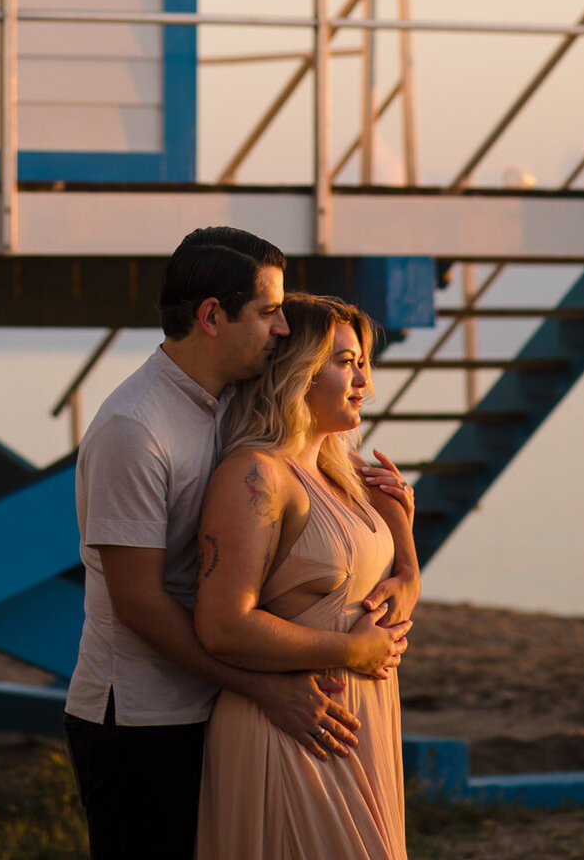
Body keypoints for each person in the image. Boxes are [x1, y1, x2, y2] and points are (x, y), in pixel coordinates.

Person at [64, 230, 415, 860]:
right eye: (267, 312)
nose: (282, 329)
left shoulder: (231, 402)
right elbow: (139, 602)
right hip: (144, 719)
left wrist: (405, 559)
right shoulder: (133, 429)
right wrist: (263, 685)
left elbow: (345, 477)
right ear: (210, 317)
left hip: (221, 700)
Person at [193, 292, 420, 860]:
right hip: (288, 731)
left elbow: (390, 585)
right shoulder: (255, 477)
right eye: (346, 362)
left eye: (365, 362)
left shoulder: (341, 471)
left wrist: (409, 560)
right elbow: (222, 625)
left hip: (357, 728)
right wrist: (350, 651)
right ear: (297, 370)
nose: (364, 381)